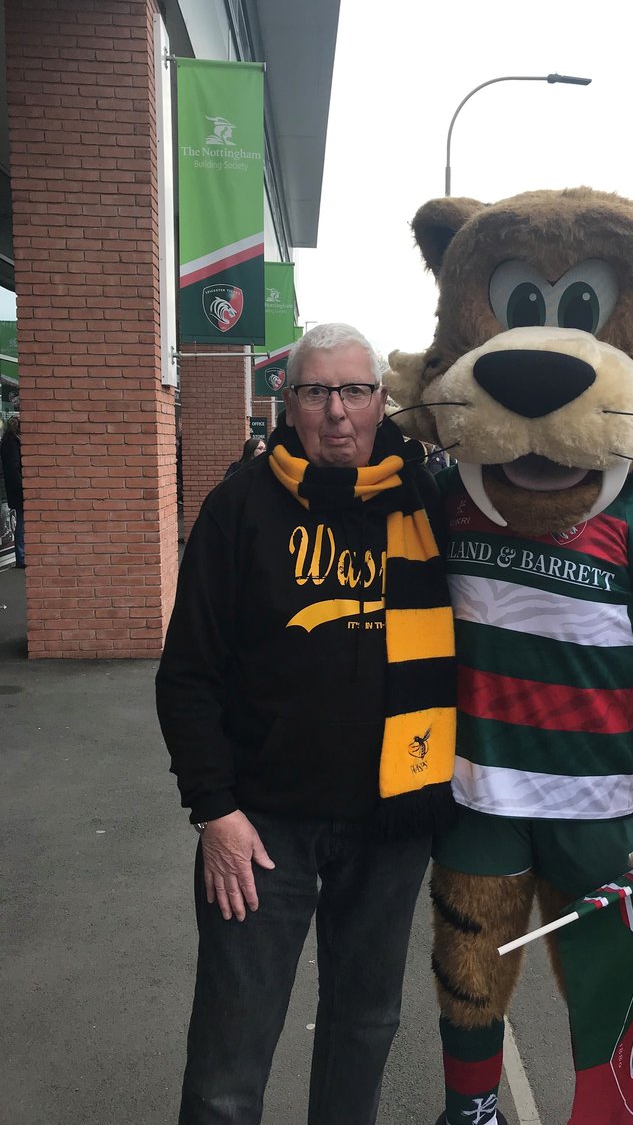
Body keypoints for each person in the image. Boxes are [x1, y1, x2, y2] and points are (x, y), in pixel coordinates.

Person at [156, 323, 456, 1125]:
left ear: (380, 400)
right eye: (314, 392)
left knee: (365, 1029)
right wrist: (214, 810)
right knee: (231, 1054)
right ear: (285, 404)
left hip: (392, 819)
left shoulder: (424, 497)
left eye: (353, 391)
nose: (335, 412)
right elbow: (187, 672)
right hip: (262, 827)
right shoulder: (239, 505)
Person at [0, 414, 24, 568]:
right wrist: (23, 485)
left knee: (22, 521)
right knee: (22, 522)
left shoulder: (8, 442)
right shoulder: (13, 443)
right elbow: (14, 469)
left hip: (14, 489)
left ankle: (22, 555)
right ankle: (21, 557)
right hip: (18, 490)